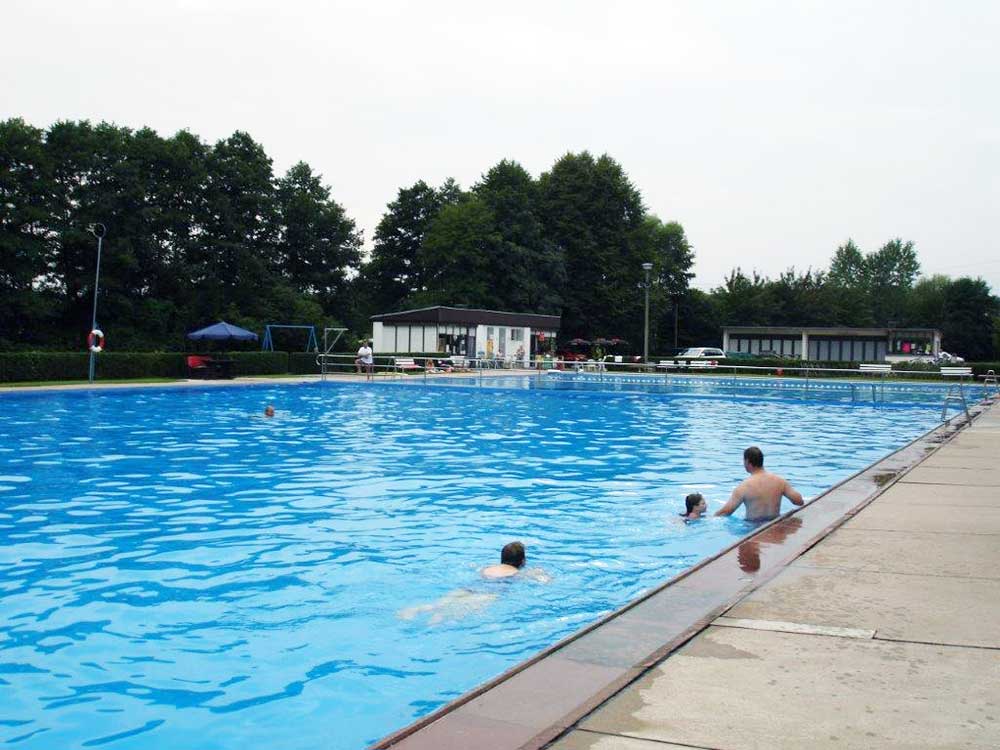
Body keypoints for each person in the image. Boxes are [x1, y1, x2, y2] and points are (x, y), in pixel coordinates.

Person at [715, 446, 804, 522]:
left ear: (747, 462)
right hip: (774, 524)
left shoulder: (743, 487)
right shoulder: (780, 481)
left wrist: (710, 517)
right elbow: (799, 501)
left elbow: (725, 512)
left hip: (753, 528)